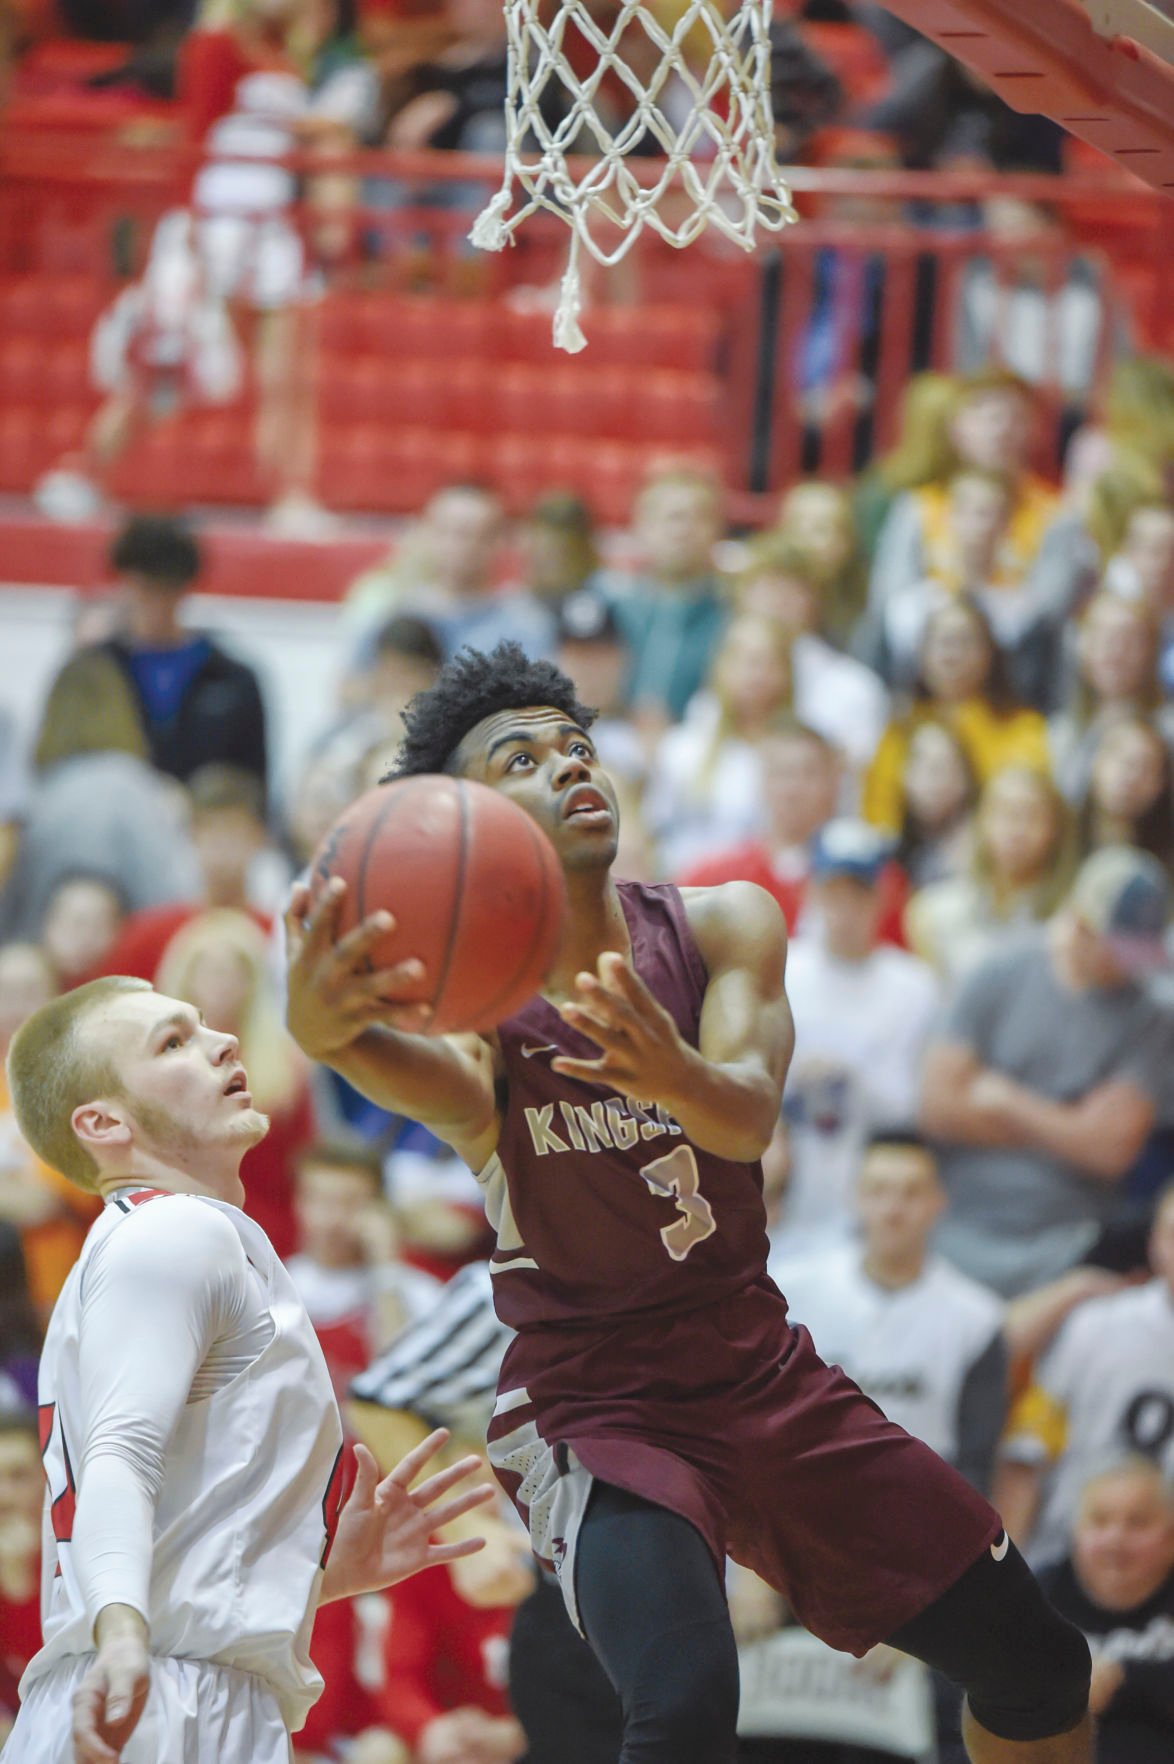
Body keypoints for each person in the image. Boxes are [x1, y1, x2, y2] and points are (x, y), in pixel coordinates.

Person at [286, 640, 1093, 1764]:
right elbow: (357, 1051)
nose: (569, 765)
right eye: (523, 758)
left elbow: (744, 1118)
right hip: (595, 1405)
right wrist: (315, 1012)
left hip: (757, 1368)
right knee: (684, 1705)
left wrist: (666, 1071)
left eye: (578, 745)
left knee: (1040, 1664)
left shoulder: (723, 926)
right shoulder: (479, 1022)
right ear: (463, 825)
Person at [1, 973, 493, 1764]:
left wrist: (315, 1576)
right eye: (172, 1042)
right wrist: (123, 1634)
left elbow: (180, 1537)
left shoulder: (164, 1242)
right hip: (155, 1697)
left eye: (201, 1027)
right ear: (103, 1122)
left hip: (173, 1687)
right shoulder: (174, 1233)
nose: (221, 1041)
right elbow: (119, 1455)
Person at [920, 847, 1174, 1298]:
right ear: (1080, 924)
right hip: (956, 1226)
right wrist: (1070, 1124)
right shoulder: (998, 972)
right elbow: (938, 1107)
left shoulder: (1148, 1013)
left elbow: (1110, 1149)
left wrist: (1005, 1100)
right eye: (1120, 949)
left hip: (1070, 1240)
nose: (1133, 965)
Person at [772, 1131, 1007, 1496]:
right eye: (878, 1191)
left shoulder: (977, 1319)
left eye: (911, 1193)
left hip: (919, 1509)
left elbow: (976, 1462)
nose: (893, 1209)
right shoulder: (789, 1293)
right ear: (855, 1197)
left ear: (938, 1201)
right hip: (800, 1495)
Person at [773, 821, 940, 1252]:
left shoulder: (914, 987)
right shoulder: (782, 970)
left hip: (870, 1192)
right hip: (787, 1190)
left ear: (881, 897)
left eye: (859, 893)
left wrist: (850, 1077)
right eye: (833, 892)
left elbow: (916, 1107)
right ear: (810, 892)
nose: (844, 909)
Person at [994, 1183, 1174, 1569]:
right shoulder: (1093, 1326)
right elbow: (1028, 1451)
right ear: (1154, 1242)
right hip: (1069, 1553)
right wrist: (1009, 1569)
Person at [38, 515, 268, 792]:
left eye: (165, 589)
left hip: (203, 829)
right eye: (142, 588)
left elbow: (252, 786)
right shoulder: (91, 671)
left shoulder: (232, 680)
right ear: (123, 584)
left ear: (185, 589)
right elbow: (55, 763)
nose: (153, 603)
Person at [863, 594, 1050, 833]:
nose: (952, 654)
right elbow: (879, 814)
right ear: (921, 653)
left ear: (989, 653)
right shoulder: (899, 728)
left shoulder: (1023, 727)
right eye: (941, 641)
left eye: (965, 641)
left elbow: (1027, 803)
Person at [1036, 1459, 1174, 1764]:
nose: (1115, 1540)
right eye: (1099, 1521)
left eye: (1138, 1523)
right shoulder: (1037, 1595)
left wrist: (1123, 1678)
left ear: (1171, 1538)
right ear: (1075, 1533)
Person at [644, 611, 794, 876]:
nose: (756, 674)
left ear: (786, 673)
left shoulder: (800, 758)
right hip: (689, 891)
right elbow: (655, 833)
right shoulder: (682, 749)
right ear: (721, 667)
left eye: (768, 662)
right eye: (745, 661)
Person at [0, 941, 100, 1316]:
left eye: (28, 992)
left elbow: (42, 1202)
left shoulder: (75, 1086)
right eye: (4, 992)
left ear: (54, 998)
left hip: (51, 1293)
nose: (14, 1006)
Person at [906, 766, 1074, 988]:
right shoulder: (934, 912)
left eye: (1032, 815)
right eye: (1005, 813)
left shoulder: (1072, 921)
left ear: (1055, 830)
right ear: (981, 821)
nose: (1017, 829)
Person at [603, 465, 729, 731]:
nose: (683, 530)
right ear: (639, 526)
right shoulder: (606, 607)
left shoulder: (734, 615)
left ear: (718, 530)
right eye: (672, 518)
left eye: (699, 518)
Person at [1049, 593, 1174, 803]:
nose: (1116, 652)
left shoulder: (1168, 731)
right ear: (1082, 646)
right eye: (1104, 638)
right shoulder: (1061, 731)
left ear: (1152, 651)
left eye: (1130, 640)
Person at [1075, 715, 1174, 866]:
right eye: (1121, 759)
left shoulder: (1164, 863)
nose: (1131, 776)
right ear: (1094, 761)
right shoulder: (1059, 837)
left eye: (1145, 767)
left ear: (1160, 785)